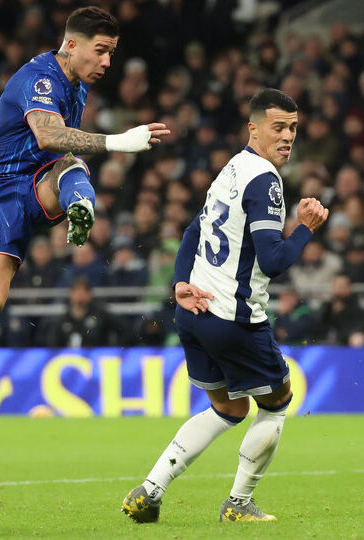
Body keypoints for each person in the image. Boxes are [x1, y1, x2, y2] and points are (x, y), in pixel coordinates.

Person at [0, 7, 170, 471]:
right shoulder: (41, 77)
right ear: (72, 45)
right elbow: (47, 134)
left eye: (112, 52)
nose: (108, 61)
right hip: (0, 192)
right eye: (102, 50)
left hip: (41, 182)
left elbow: (58, 149)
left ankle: (79, 205)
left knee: (73, 166)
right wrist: (117, 142)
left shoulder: (79, 83)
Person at [121, 89, 328, 524]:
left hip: (193, 313)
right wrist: (306, 229)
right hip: (233, 318)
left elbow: (193, 231)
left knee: (229, 408)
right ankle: (238, 504)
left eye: (293, 128)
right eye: (278, 127)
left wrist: (180, 282)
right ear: (253, 128)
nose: (288, 136)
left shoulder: (233, 167)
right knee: (277, 402)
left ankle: (150, 491)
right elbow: (273, 262)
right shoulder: (265, 180)